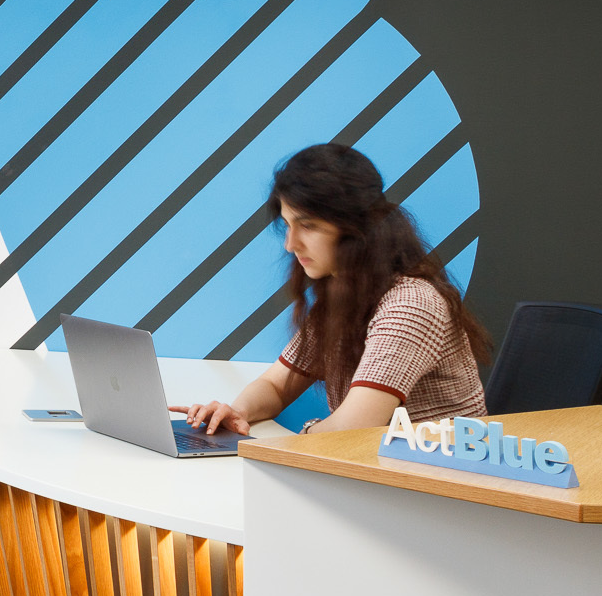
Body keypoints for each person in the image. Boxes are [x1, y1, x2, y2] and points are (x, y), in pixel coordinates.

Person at [178, 144, 490, 439]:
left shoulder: (411, 304)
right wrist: (235, 412)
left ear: (357, 229)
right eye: (287, 225)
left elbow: (351, 428)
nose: (290, 244)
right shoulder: (344, 297)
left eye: (308, 226)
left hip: (440, 483)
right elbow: (276, 386)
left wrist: (296, 438)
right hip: (379, 477)